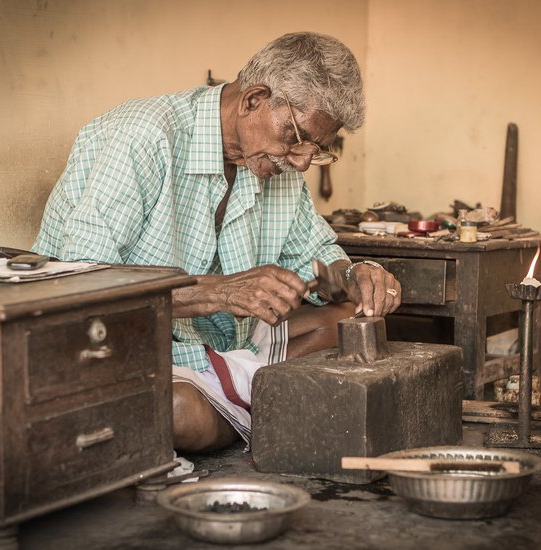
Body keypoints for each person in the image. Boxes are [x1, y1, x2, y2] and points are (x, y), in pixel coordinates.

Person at [32, 32, 401, 452]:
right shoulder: (143, 138)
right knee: (175, 411)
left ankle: (239, 402)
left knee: (348, 320)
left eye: (316, 149)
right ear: (253, 99)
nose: (300, 162)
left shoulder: (273, 165)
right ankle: (259, 405)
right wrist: (221, 292)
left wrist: (353, 275)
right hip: (128, 345)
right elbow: (85, 284)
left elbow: (315, 260)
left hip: (226, 347)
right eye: (294, 138)